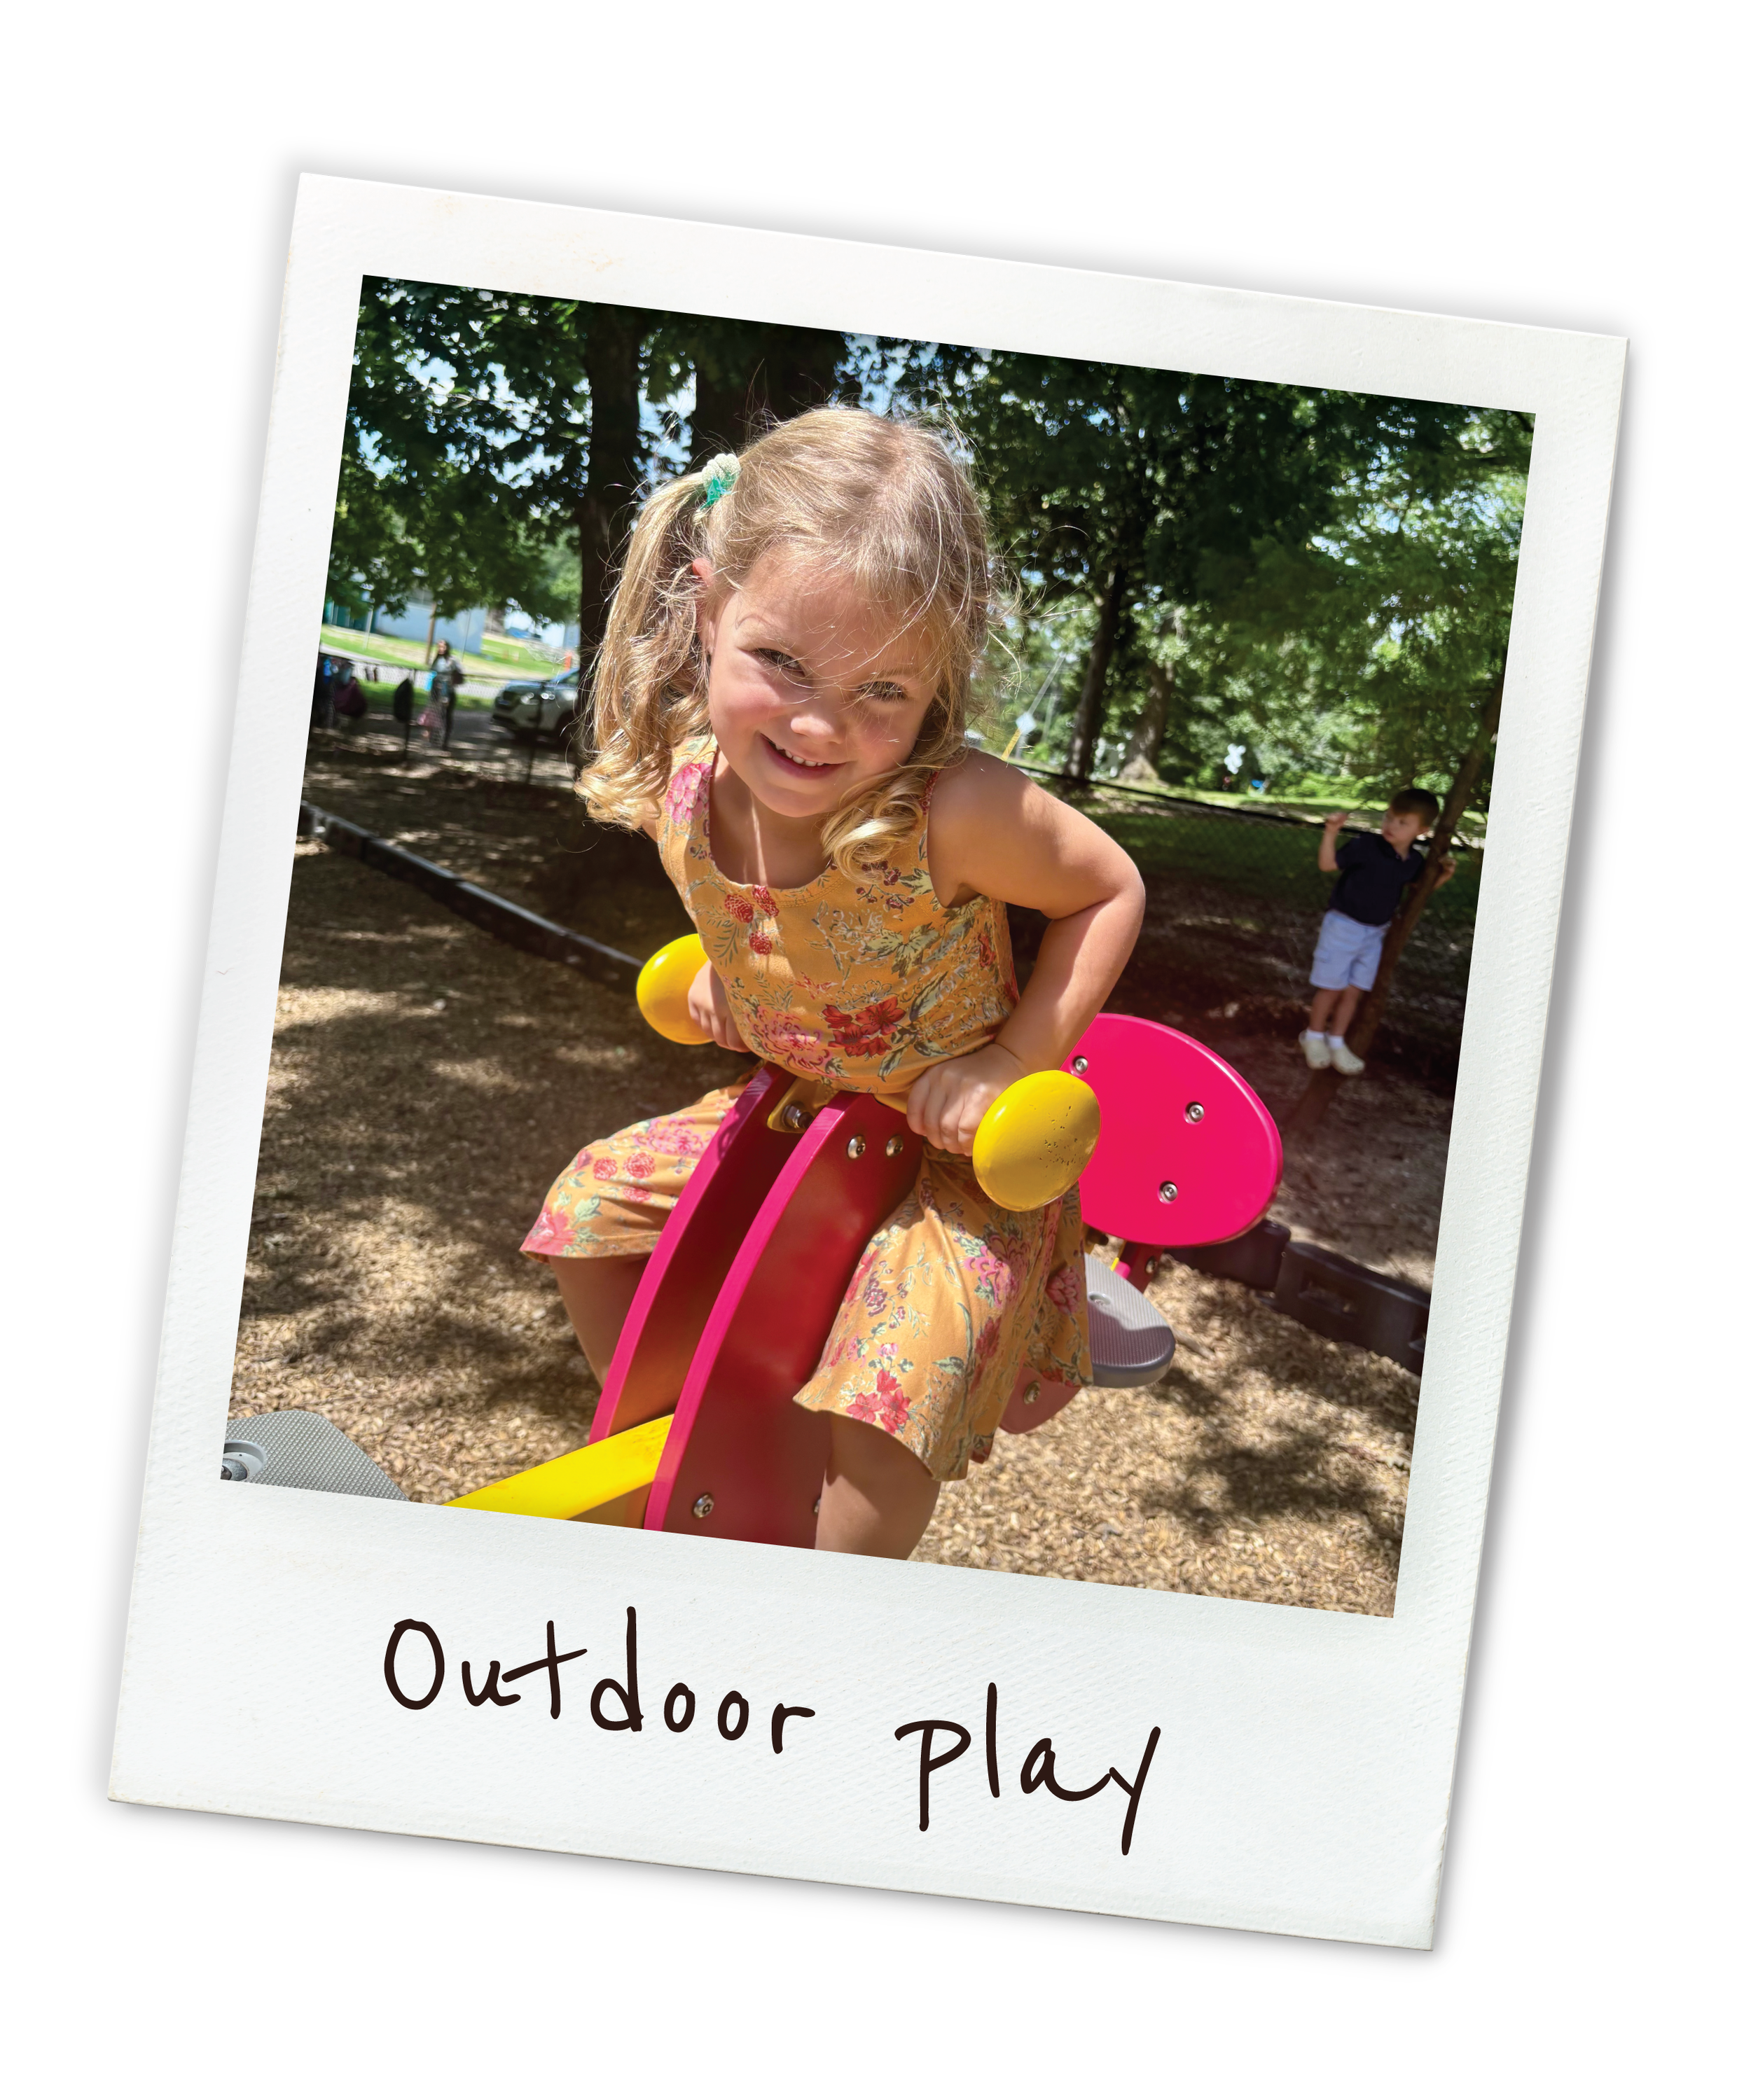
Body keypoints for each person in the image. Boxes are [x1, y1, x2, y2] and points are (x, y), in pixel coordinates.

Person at [520, 410, 1145, 1560]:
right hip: (801, 1117)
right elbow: (757, 919)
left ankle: (833, 1586)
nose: (819, 724)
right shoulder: (687, 788)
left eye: (883, 693)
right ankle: (698, 1440)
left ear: (937, 686)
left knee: (891, 1389)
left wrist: (1014, 1060)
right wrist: (723, 965)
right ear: (710, 610)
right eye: (781, 662)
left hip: (953, 1162)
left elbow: (1107, 887)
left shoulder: (948, 811)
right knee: (591, 1204)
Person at [1300, 789, 1455, 1076]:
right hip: (1343, 927)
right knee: (1331, 987)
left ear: (1422, 830)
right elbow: (1327, 864)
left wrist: (1443, 876)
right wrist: (1331, 831)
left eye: (1402, 823)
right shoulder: (1367, 845)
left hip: (1374, 935)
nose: (1391, 826)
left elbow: (1419, 892)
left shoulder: (1413, 863)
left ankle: (1336, 1041)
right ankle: (1313, 1036)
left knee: (1353, 990)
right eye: (1389, 817)